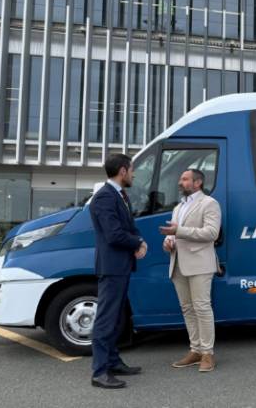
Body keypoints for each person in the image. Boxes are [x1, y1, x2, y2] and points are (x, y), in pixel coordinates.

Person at [88, 153, 147, 389]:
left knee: (115, 318)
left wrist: (137, 241)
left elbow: (128, 226)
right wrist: (137, 243)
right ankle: (100, 372)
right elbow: (113, 234)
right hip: (112, 267)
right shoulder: (105, 196)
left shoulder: (119, 195)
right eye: (132, 170)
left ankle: (113, 362)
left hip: (120, 266)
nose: (133, 174)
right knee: (106, 319)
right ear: (122, 171)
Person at [160, 169, 222, 372]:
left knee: (202, 308)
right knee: (187, 308)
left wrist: (178, 231)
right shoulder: (178, 207)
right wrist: (168, 241)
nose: (180, 182)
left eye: (185, 179)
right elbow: (173, 235)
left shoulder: (209, 203)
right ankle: (195, 350)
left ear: (198, 183)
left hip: (200, 263)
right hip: (178, 262)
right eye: (181, 178)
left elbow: (211, 233)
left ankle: (207, 353)